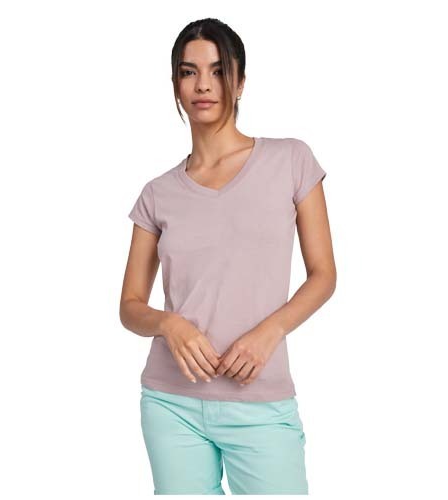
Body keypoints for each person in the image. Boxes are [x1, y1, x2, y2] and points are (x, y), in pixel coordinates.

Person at [120, 17, 336, 495]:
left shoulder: (291, 160)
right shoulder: (157, 194)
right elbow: (130, 306)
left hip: (261, 401)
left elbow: (323, 275)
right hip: (171, 404)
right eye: (189, 71)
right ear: (175, 85)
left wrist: (269, 332)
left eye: (218, 71)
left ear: (240, 82)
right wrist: (169, 324)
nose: (203, 85)